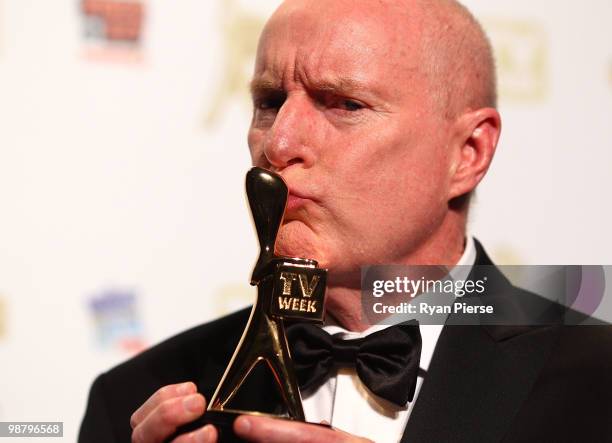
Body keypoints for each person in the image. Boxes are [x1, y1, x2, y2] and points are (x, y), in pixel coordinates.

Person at [79, 0, 612, 442]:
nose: (279, 144)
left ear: (467, 152)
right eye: (269, 102)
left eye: (343, 104)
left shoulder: (597, 382)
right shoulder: (135, 398)